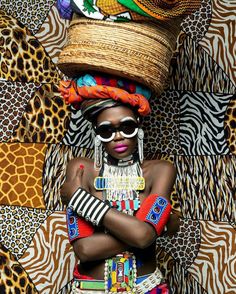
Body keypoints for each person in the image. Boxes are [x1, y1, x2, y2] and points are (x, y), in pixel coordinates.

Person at [60, 73, 180, 293]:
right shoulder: (81, 170)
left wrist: (80, 200)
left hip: (146, 287)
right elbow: (85, 249)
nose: (117, 136)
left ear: (139, 126)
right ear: (97, 134)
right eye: (107, 130)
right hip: (90, 289)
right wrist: (151, 229)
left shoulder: (160, 170)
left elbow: (144, 236)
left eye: (127, 127)